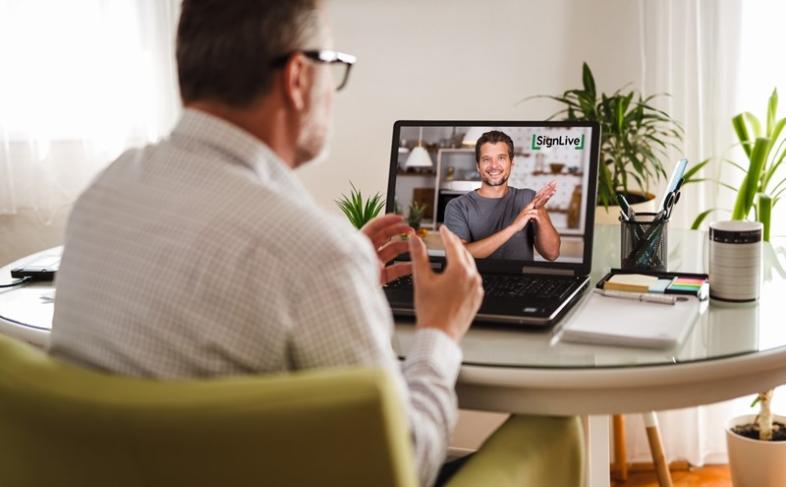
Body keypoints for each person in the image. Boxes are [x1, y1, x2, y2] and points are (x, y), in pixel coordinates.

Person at [48, 1, 483, 486]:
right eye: (333, 65)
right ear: (297, 78)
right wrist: (440, 334)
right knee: (551, 427)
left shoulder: (106, 189)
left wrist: (343, 285)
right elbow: (403, 467)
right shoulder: (315, 255)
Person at [444, 130, 561, 261]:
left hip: (520, 281)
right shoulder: (458, 206)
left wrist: (539, 212)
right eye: (486, 159)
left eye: (501, 158)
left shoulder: (528, 199)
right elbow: (458, 255)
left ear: (512, 163)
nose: (494, 166)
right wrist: (513, 228)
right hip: (475, 281)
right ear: (478, 166)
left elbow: (552, 254)